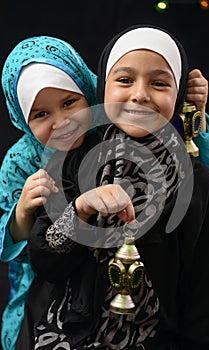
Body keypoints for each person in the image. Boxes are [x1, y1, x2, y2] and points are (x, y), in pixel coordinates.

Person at [27, 24, 209, 349]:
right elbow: (45, 260)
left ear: (178, 97)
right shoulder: (72, 162)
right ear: (103, 87)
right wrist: (80, 210)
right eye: (124, 80)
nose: (140, 94)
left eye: (159, 83)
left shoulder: (197, 184)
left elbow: (205, 300)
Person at [0, 35, 100, 350]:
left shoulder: (110, 129)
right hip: (45, 286)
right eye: (41, 115)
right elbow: (10, 241)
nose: (62, 122)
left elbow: (174, 148)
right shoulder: (21, 161)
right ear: (24, 120)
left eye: (70, 102)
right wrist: (22, 212)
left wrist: (194, 108)